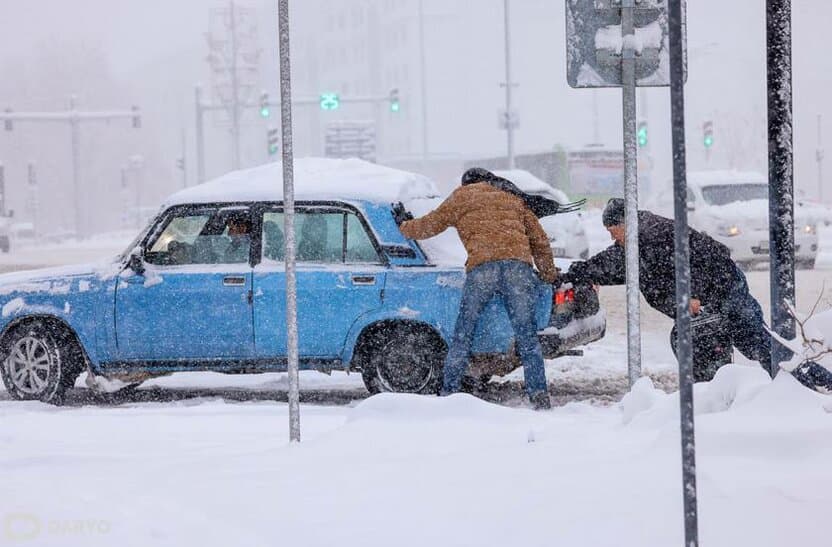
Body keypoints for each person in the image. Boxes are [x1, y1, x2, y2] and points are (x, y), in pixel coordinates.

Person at [563, 198, 832, 391]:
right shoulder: (642, 237)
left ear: (623, 224)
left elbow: (681, 269)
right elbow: (617, 265)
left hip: (726, 290)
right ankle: (799, 386)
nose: (613, 238)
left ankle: (813, 384)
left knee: (760, 344)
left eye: (613, 232)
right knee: (757, 346)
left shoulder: (651, 237)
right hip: (721, 289)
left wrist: (693, 298)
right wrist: (580, 272)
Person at [399, 169, 559, 410]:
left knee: (463, 332)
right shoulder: (510, 196)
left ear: (466, 183)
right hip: (518, 266)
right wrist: (548, 274)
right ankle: (538, 395)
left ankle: (450, 392)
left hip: (482, 267)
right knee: (526, 336)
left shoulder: (461, 197)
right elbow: (539, 240)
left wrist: (404, 225)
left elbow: (429, 225)